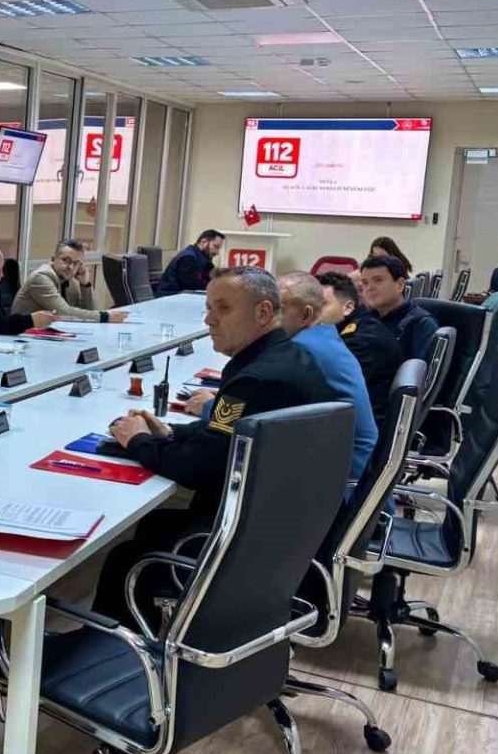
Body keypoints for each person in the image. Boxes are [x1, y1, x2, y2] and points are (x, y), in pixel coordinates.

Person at [92, 268, 333, 625]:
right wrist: (170, 433)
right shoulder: (283, 358)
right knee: (156, 524)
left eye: (223, 308)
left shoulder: (256, 378)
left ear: (263, 312)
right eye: (208, 308)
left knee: (124, 558)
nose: (209, 319)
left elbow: (202, 468)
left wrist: (139, 441)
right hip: (283, 525)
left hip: (246, 539)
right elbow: (224, 433)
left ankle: (116, 647)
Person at [276, 272, 377, 480]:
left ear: (306, 315)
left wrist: (209, 406)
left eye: (280, 309)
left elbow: (260, 414)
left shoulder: (302, 348)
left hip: (345, 476)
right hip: (359, 464)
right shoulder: (323, 335)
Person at [317, 271, 403, 428]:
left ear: (348, 307)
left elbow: (323, 390)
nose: (312, 312)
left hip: (353, 430)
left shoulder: (362, 340)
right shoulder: (358, 326)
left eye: (322, 305)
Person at [12, 238, 129, 323]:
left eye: (76, 263)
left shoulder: (71, 280)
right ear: (53, 259)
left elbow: (89, 311)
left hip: (51, 333)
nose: (70, 267)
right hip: (23, 336)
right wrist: (106, 316)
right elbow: (63, 312)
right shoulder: (41, 277)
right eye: (66, 260)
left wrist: (85, 285)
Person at [358, 255, 437, 361]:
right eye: (365, 283)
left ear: (400, 285)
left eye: (378, 280)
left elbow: (417, 370)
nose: (370, 288)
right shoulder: (363, 317)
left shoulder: (421, 324)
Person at [154, 229, 224, 296]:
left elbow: (212, 278)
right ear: (204, 242)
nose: (217, 252)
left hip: (182, 295)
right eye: (215, 246)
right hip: (169, 295)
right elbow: (192, 286)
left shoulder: (203, 258)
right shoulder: (188, 258)